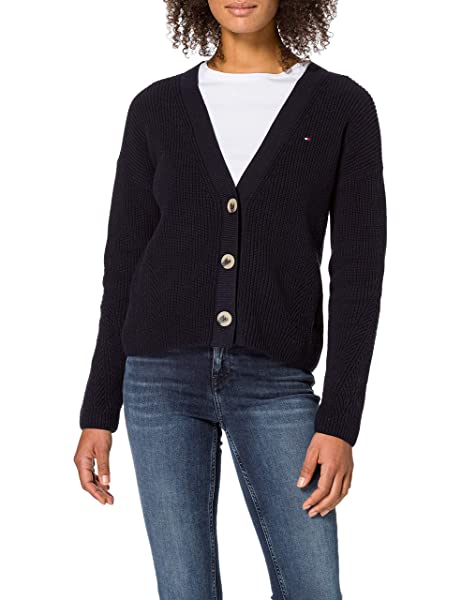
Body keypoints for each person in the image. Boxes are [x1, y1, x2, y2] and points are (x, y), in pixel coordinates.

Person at [74, 1, 387, 598]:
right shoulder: (155, 108)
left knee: (313, 588)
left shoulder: (342, 105)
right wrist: (98, 409)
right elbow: (124, 267)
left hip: (276, 385)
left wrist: (341, 422)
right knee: (185, 590)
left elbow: (358, 273)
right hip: (158, 382)